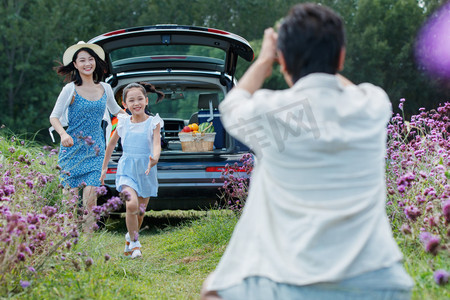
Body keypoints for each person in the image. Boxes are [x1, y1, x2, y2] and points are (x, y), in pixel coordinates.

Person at [201, 3, 413, 300]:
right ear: (341, 56)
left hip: (292, 283)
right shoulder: (372, 105)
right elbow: (349, 88)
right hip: (379, 281)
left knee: (212, 291)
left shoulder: (270, 112)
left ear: (283, 61)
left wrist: (264, 61)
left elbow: (231, 104)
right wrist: (324, 59)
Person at [49, 41, 125, 231]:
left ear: (95, 62)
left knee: (91, 200)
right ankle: (68, 244)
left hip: (96, 149)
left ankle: (86, 245)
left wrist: (138, 117)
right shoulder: (70, 89)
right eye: (82, 60)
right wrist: (63, 134)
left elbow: (116, 111)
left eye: (90, 59)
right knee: (70, 202)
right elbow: (54, 117)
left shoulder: (105, 88)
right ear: (75, 65)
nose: (87, 63)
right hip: (71, 149)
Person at [101, 82, 164, 259]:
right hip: (127, 170)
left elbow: (157, 144)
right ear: (124, 104)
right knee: (132, 205)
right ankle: (136, 244)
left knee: (141, 212)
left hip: (146, 170)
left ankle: (130, 236)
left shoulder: (154, 122)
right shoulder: (122, 122)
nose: (136, 103)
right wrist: (104, 166)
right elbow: (111, 143)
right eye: (131, 100)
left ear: (146, 100)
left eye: (139, 99)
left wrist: (155, 158)